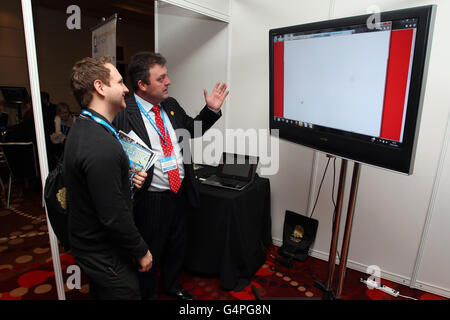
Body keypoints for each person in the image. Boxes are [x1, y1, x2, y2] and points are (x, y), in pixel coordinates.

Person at [113, 52, 229, 300]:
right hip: (150, 200)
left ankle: (172, 285)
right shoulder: (123, 113)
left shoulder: (170, 105)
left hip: (179, 193)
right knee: (149, 252)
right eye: (161, 78)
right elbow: (114, 156)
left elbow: (192, 129)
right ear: (142, 85)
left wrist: (210, 110)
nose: (168, 82)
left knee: (177, 245)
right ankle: (148, 294)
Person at [64, 56, 153, 300]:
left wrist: (125, 181)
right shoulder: (100, 144)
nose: (126, 89)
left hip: (90, 245)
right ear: (100, 87)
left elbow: (97, 187)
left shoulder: (85, 127)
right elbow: (113, 215)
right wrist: (141, 250)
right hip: (103, 251)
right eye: (120, 82)